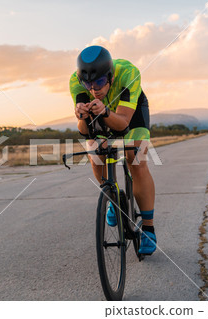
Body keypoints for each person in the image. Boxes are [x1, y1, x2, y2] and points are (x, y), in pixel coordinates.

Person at [69, 45, 156, 255]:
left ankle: (148, 229)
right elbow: (85, 132)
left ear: (109, 75)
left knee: (135, 159)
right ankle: (111, 197)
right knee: (95, 153)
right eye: (88, 84)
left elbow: (123, 124)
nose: (93, 89)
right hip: (101, 111)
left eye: (99, 82)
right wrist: (82, 116)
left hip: (131, 114)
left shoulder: (128, 73)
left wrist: (106, 111)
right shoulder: (76, 82)